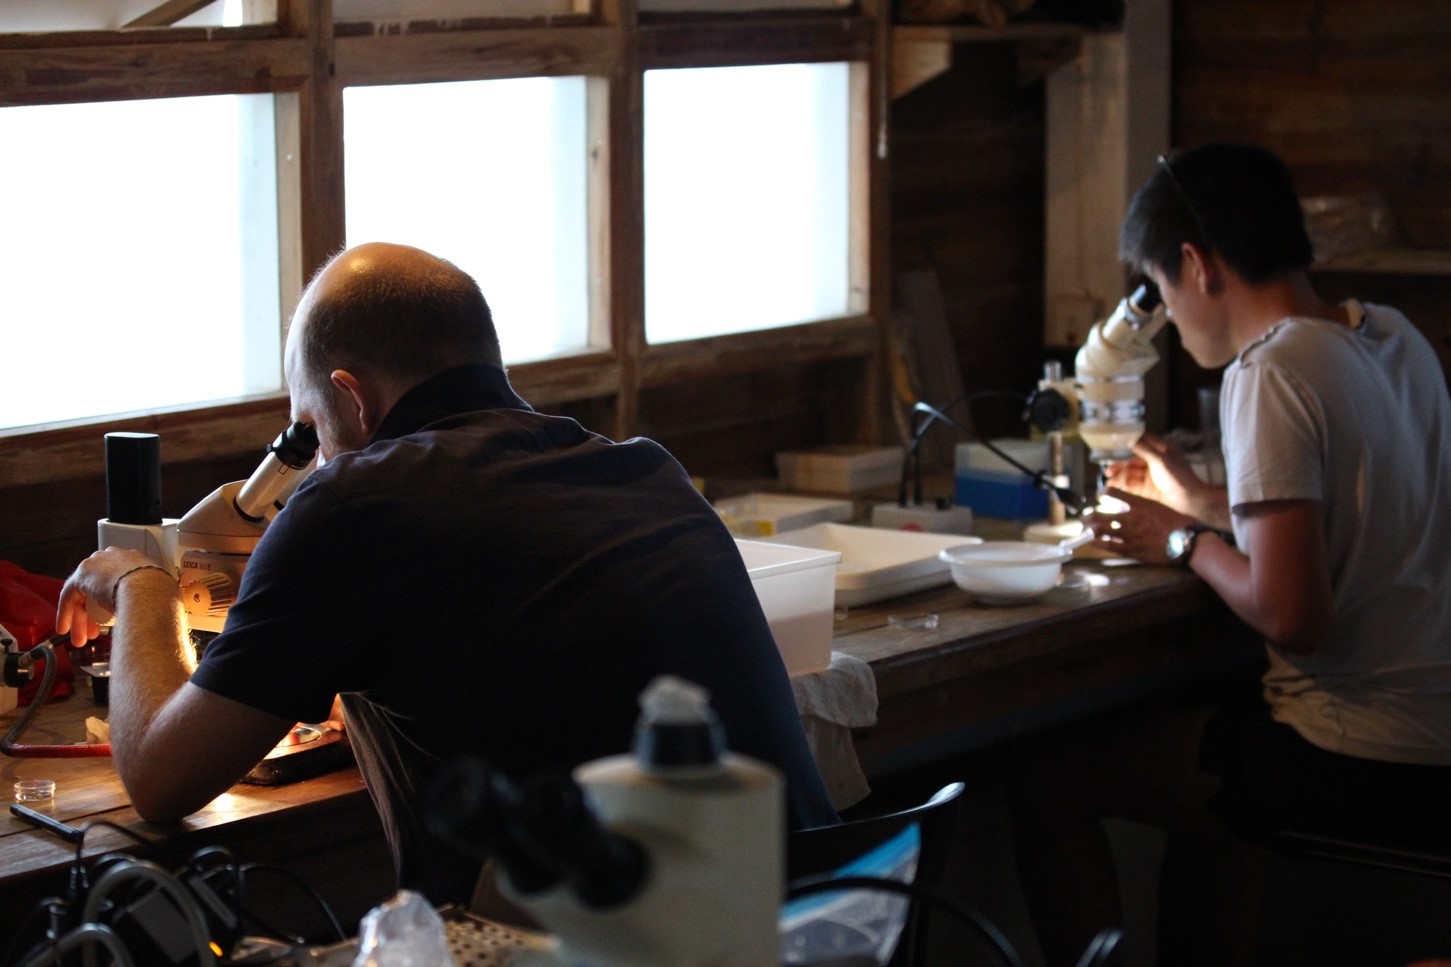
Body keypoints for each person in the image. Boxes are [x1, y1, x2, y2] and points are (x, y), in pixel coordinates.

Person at [56, 242, 837, 907]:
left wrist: (141, 582)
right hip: (818, 926)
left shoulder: (354, 500)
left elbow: (160, 781)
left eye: (310, 430)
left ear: (349, 398)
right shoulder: (641, 466)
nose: (315, 458)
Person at [1011, 143, 1451, 965]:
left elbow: (1295, 615)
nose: (1170, 317)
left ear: (1195, 265)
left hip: (1363, 755)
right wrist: (1200, 499)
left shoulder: (1270, 369)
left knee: (1046, 779)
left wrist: (1180, 540)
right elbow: (1360, 512)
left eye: (1163, 291)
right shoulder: (1391, 336)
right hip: (1438, 734)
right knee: (1212, 763)